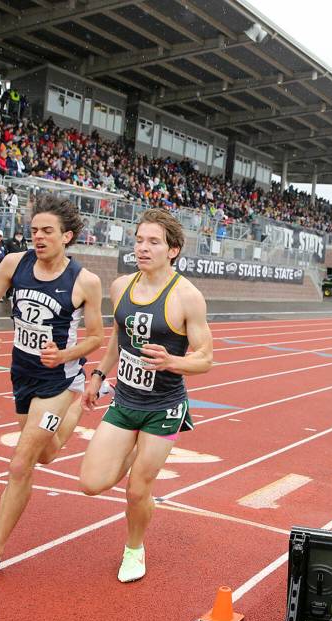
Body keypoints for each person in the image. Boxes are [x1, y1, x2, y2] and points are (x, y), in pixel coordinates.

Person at [0, 195, 105, 589]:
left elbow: (96, 337)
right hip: (21, 373)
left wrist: (66, 355)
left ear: (67, 236)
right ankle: (80, 407)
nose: (37, 237)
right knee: (49, 454)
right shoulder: (13, 263)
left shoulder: (84, 281)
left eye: (47, 231)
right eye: (34, 230)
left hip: (57, 379)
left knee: (21, 462)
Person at [79, 208, 213, 583]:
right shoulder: (121, 286)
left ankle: (134, 549)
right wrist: (98, 375)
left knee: (138, 489)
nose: (143, 247)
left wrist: (173, 361)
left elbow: (206, 358)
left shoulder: (187, 296)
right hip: (125, 401)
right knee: (91, 483)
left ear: (173, 250)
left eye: (153, 241)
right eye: (139, 240)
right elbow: (117, 340)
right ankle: (134, 448)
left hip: (164, 407)